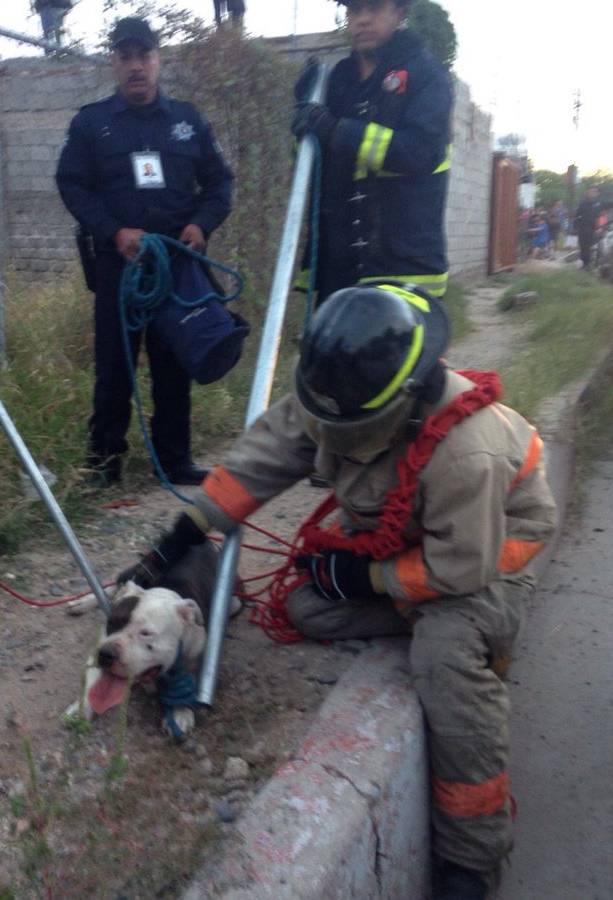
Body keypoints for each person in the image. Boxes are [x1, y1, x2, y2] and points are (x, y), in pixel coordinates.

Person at [117, 284, 557, 900]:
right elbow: (257, 463)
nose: (325, 442)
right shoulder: (340, 396)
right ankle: (421, 614)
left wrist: (364, 578)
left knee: (444, 657)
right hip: (406, 541)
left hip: (487, 555)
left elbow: (460, 567)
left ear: (405, 402)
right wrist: (178, 537)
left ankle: (471, 859)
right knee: (306, 607)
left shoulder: (467, 452)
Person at [55, 17, 234, 488]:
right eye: (126, 57)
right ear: (114, 62)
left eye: (144, 56)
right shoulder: (92, 124)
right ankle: (104, 462)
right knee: (115, 364)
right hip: (120, 265)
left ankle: (174, 460)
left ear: (158, 60)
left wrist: (201, 224)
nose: (136, 66)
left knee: (173, 363)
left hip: (175, 263)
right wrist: (113, 232)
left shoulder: (187, 121)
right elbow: (71, 184)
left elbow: (220, 184)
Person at [292, 0, 452, 304]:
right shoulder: (338, 80)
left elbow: (421, 153)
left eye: (374, 8)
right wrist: (302, 125)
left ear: (399, 12)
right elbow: (312, 169)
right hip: (339, 273)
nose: (362, 19)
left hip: (402, 273)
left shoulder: (426, 75)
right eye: (354, 10)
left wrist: (337, 131)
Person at [573, 186, 601, 270]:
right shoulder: (583, 203)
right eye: (589, 192)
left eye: (593, 192)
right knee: (582, 246)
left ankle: (588, 264)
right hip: (582, 228)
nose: (590, 194)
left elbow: (611, 204)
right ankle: (584, 263)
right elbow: (577, 216)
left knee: (589, 246)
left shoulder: (599, 203)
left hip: (592, 228)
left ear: (597, 194)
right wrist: (575, 227)